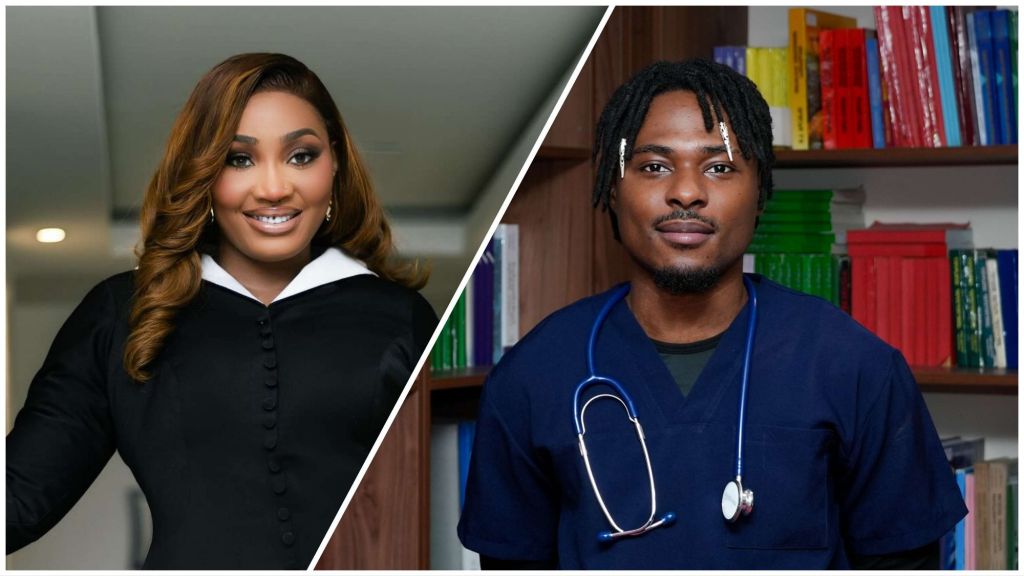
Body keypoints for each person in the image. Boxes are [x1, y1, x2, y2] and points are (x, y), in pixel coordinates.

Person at [457, 59, 966, 570]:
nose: (686, 192)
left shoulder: (855, 368)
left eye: (720, 167)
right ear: (613, 188)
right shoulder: (533, 375)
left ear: (760, 191)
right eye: (654, 166)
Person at [6, 53, 437, 569]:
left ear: (336, 164)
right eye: (239, 159)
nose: (274, 188)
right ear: (205, 173)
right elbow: (19, 499)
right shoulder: (123, 314)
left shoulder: (400, 319)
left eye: (301, 156)